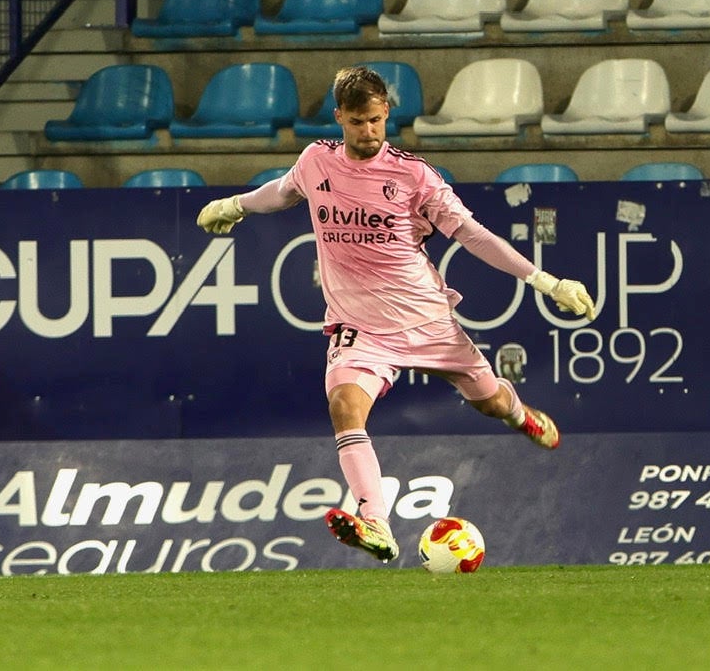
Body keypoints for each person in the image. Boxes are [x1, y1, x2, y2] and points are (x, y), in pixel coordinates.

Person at [196, 66, 596, 563]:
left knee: (489, 401)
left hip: (426, 320)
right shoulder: (317, 161)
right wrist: (236, 204)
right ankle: (376, 524)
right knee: (344, 404)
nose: (369, 132)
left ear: (387, 114)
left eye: (377, 121)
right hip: (359, 326)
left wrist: (545, 281)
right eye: (359, 122)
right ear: (339, 116)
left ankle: (519, 415)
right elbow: (282, 191)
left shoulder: (414, 176)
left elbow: (472, 234)